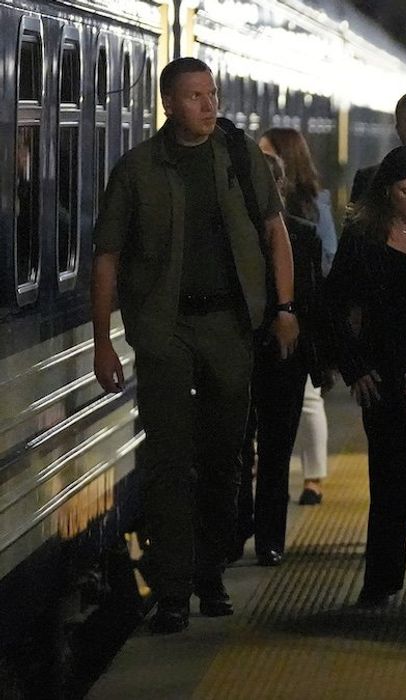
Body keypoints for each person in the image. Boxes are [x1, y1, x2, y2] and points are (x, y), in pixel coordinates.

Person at [91, 57, 298, 634]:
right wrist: (102, 342)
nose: (209, 106)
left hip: (229, 327)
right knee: (168, 459)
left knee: (223, 455)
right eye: (195, 97)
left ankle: (210, 573)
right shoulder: (137, 170)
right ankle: (175, 589)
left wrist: (284, 309)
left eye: (212, 94)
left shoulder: (239, 158)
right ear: (168, 104)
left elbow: (275, 233)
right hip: (163, 330)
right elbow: (106, 256)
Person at [325, 145, 406, 606]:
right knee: (389, 474)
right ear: (387, 190)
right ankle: (382, 576)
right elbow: (331, 303)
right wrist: (353, 366)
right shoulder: (364, 234)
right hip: (382, 369)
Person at [235, 151, 329, 568]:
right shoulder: (228, 236)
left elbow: (315, 302)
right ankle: (237, 531)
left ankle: (269, 539)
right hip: (239, 353)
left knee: (275, 452)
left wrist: (320, 362)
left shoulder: (304, 235)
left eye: (273, 180)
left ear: (282, 185)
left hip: (286, 359)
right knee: (239, 449)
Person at [258, 128, 336, 504]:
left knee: (308, 399)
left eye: (267, 151)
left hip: (302, 315)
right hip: (272, 317)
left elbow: (326, 258)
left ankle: (314, 477)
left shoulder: (312, 205)